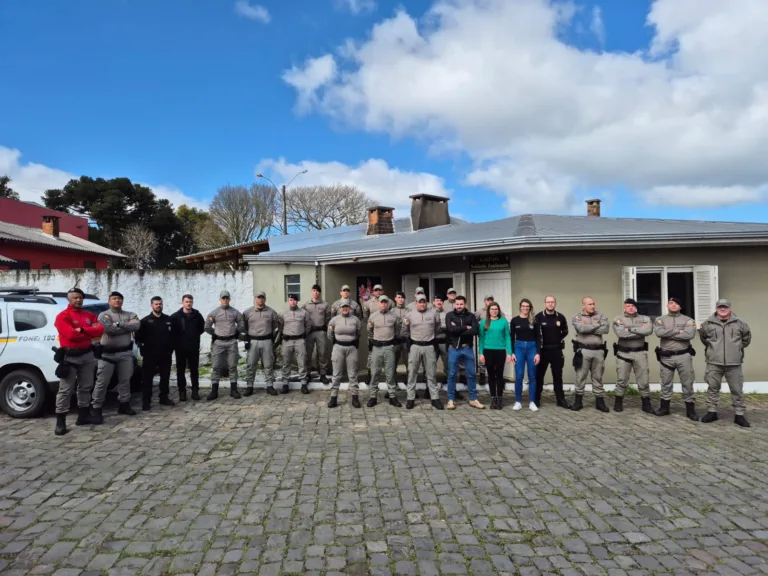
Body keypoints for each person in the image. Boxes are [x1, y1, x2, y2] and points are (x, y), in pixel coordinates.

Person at [52, 288, 104, 435]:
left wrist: (81, 330)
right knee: (65, 390)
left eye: (80, 297)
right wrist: (88, 331)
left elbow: (100, 330)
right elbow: (70, 334)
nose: (78, 300)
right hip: (70, 357)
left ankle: (83, 416)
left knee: (86, 386)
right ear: (69, 299)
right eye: (75, 297)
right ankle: (60, 421)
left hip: (87, 355)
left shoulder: (89, 315)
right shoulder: (63, 316)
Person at [699, 299, 751, 427]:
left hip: (734, 363)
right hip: (714, 362)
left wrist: (735, 350)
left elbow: (746, 340)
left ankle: (739, 414)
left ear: (730, 308)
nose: (723, 309)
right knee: (712, 387)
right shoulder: (707, 324)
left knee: (737, 389)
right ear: (716, 308)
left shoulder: (740, 323)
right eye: (720, 307)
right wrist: (714, 350)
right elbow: (704, 339)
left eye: (725, 307)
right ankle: (712, 412)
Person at [92, 291, 141, 424]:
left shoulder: (130, 314)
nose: (117, 301)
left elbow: (136, 325)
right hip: (107, 354)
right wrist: (126, 326)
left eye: (119, 299)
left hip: (125, 353)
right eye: (114, 299)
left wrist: (119, 324)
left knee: (125, 380)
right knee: (102, 382)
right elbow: (109, 330)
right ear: (109, 301)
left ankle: (124, 404)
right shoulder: (104, 315)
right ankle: (96, 408)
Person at [653, 297, 698, 420]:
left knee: (687, 383)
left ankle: (690, 410)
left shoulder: (688, 320)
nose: (673, 305)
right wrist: (679, 331)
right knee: (666, 383)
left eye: (676, 303)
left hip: (684, 355)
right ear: (667, 305)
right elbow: (659, 333)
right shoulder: (660, 320)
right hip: (666, 356)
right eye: (671, 303)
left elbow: (690, 334)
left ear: (680, 306)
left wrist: (669, 333)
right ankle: (664, 407)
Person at [402, 294, 444, 410]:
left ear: (427, 303)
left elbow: (437, 328)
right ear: (416, 303)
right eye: (420, 302)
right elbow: (404, 331)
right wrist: (411, 340)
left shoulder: (434, 313)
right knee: (412, 372)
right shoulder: (409, 315)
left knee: (431, 373)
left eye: (424, 302)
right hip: (415, 346)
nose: (422, 304)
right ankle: (410, 398)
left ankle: (435, 398)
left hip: (429, 346)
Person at [612, 298, 653, 414]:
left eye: (632, 306)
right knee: (622, 379)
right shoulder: (618, 319)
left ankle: (646, 404)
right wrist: (639, 331)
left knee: (644, 380)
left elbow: (648, 331)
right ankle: (618, 402)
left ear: (636, 307)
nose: (630, 308)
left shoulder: (645, 319)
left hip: (640, 353)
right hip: (623, 353)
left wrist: (629, 329)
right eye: (628, 306)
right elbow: (621, 334)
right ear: (624, 307)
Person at [136, 296, 176, 411]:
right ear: (152, 305)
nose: (158, 306)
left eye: (160, 304)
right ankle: (146, 401)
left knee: (165, 377)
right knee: (147, 379)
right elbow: (139, 338)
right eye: (156, 304)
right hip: (150, 355)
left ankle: (164, 397)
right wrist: (143, 351)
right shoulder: (145, 321)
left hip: (165, 354)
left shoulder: (168, 320)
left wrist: (171, 349)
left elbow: (174, 336)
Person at [205, 290, 245, 401]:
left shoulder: (235, 312)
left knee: (232, 366)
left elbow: (242, 324)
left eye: (227, 298)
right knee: (216, 366)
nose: (225, 300)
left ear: (229, 299)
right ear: (220, 299)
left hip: (231, 342)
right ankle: (214, 391)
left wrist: (237, 332)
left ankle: (233, 390)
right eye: (223, 298)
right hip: (218, 343)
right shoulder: (214, 313)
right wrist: (215, 334)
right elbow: (207, 326)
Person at [571, 296, 610, 412]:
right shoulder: (577, 317)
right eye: (589, 304)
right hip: (584, 351)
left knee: (598, 377)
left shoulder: (601, 315)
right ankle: (578, 402)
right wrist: (597, 325)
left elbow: (606, 329)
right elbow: (581, 329)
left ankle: (600, 402)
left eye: (593, 304)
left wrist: (589, 328)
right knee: (581, 376)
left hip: (598, 351)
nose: (592, 306)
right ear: (583, 306)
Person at [445, 296, 484, 410]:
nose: (459, 306)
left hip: (467, 348)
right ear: (454, 305)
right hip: (454, 348)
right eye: (457, 304)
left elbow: (475, 330)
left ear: (465, 304)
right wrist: (465, 327)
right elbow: (449, 330)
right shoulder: (449, 315)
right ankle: (451, 400)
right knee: (452, 375)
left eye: (461, 304)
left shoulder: (471, 316)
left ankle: (473, 399)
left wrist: (458, 329)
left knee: (471, 374)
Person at [366, 295, 403, 407]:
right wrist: (374, 340)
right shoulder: (373, 317)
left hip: (389, 347)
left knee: (390, 373)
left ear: (388, 304)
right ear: (378, 304)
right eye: (381, 302)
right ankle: (373, 396)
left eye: (385, 302)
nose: (383, 304)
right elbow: (369, 331)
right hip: (377, 347)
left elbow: (398, 329)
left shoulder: (394, 317)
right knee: (375, 372)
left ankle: (392, 396)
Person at [534, 296, 570, 409]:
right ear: (545, 303)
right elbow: (535, 334)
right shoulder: (538, 317)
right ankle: (536, 399)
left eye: (552, 302)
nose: (550, 304)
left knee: (558, 376)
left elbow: (565, 331)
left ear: (555, 303)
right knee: (539, 376)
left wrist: (556, 339)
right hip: (543, 351)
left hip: (556, 350)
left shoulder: (561, 317)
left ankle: (560, 400)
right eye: (548, 302)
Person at [243, 291, 280, 396]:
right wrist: (246, 340)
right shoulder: (247, 312)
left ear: (265, 299)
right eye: (259, 297)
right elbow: (244, 327)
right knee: (251, 365)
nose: (260, 299)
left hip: (267, 341)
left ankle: (269, 386)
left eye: (262, 297)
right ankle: (249, 386)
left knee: (268, 365)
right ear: (255, 298)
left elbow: (275, 325)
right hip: (253, 341)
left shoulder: (271, 312)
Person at [327, 300, 362, 408]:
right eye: (343, 307)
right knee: (336, 374)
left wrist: (352, 341)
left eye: (347, 307)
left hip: (351, 348)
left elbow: (359, 333)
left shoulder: (355, 320)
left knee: (353, 374)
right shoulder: (334, 320)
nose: (345, 308)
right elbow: (330, 334)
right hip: (338, 348)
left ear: (350, 308)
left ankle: (355, 397)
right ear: (340, 308)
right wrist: (337, 342)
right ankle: (333, 398)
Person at [171, 294, 205, 401]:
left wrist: (193, 337)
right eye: (186, 302)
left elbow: (202, 328)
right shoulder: (175, 316)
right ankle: (182, 392)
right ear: (182, 303)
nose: (188, 303)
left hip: (193, 347)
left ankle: (195, 391)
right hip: (180, 348)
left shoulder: (197, 315)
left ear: (192, 303)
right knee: (180, 370)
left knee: (194, 370)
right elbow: (172, 331)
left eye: (190, 302)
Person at [479, 302, 512, 410]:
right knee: (491, 375)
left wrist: (510, 353)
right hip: (488, 351)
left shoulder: (503, 321)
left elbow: (507, 337)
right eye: (492, 309)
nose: (494, 311)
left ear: (498, 310)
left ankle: (499, 397)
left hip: (500, 351)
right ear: (488, 310)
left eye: (496, 309)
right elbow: (481, 339)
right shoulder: (484, 322)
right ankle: (493, 397)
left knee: (499, 375)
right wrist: (480, 353)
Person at [510, 299, 541, 411]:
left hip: (532, 347)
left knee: (532, 376)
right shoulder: (515, 320)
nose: (525, 308)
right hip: (519, 348)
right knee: (519, 375)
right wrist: (512, 352)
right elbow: (511, 337)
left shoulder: (534, 320)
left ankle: (532, 402)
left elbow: (538, 338)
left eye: (527, 306)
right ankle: (518, 401)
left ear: (530, 307)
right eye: (523, 306)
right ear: (520, 307)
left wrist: (538, 353)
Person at [279, 293, 312, 394]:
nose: (292, 302)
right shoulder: (283, 313)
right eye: (290, 300)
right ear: (288, 301)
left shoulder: (304, 313)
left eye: (294, 300)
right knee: (286, 362)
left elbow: (308, 325)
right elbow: (280, 326)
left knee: (302, 363)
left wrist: (301, 335)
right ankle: (285, 384)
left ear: (297, 301)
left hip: (300, 340)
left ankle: (303, 384)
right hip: (287, 340)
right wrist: (285, 334)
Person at [303, 284, 331, 386]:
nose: (316, 292)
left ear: (320, 293)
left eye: (317, 291)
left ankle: (323, 374)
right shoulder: (306, 305)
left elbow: (328, 319)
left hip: (321, 331)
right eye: (314, 290)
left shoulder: (325, 305)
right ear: (312, 292)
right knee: (308, 353)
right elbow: (303, 318)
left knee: (322, 353)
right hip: (309, 332)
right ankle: (308, 374)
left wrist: (327, 331)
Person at [475, 295, 503, 386]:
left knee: (496, 362)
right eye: (488, 300)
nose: (489, 301)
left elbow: (503, 323)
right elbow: (473, 322)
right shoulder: (479, 312)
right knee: (483, 357)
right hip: (484, 337)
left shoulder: (499, 312)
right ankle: (482, 374)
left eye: (491, 300)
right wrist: (478, 325)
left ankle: (497, 377)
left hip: (497, 339)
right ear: (485, 301)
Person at [362, 284, 386, 386]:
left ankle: (388, 376)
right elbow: (366, 317)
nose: (378, 292)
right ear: (373, 292)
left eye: (380, 290)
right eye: (376, 290)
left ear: (383, 291)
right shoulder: (368, 303)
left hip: (385, 333)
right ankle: (370, 374)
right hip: (373, 333)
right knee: (371, 355)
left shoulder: (388, 302)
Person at [390, 291, 410, 391]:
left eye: (402, 297)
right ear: (395, 299)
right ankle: (392, 387)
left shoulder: (409, 311)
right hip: (395, 341)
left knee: (409, 365)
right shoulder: (392, 311)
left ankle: (410, 387)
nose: (400, 299)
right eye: (398, 297)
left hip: (406, 341)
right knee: (393, 364)